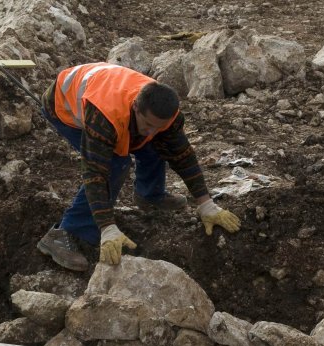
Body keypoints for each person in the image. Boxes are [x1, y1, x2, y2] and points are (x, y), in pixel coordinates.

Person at [37, 62, 240, 271]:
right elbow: (95, 171)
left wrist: (206, 204)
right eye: (148, 125)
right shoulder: (105, 115)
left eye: (158, 126)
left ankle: (150, 196)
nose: (152, 131)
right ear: (136, 107)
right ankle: (66, 233)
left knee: (156, 143)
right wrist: (107, 227)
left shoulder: (165, 114)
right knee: (117, 163)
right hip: (64, 106)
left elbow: (181, 155)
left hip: (108, 94)